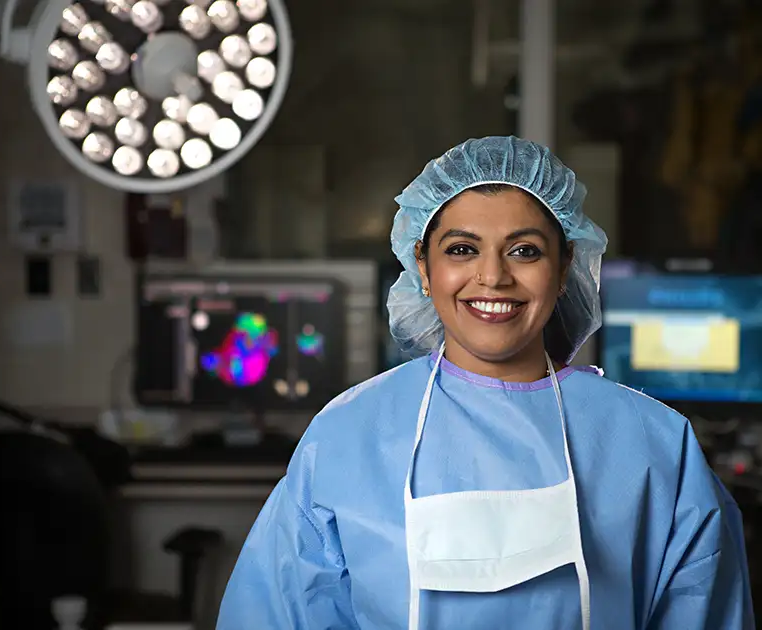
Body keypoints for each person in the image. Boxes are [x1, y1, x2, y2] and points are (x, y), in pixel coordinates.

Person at [216, 136, 755, 629]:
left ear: (565, 266)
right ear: (423, 267)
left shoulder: (655, 442)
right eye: (461, 249)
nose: (493, 277)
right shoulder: (346, 436)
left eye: (525, 250)